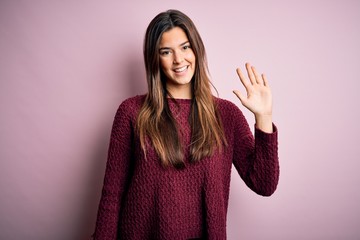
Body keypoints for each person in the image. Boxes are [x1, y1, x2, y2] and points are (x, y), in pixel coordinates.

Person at [93, 9, 279, 240]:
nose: (178, 59)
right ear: (155, 59)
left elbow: (264, 184)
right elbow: (112, 195)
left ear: (197, 50)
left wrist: (264, 117)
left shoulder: (226, 114)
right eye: (166, 51)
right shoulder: (131, 112)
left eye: (185, 47)